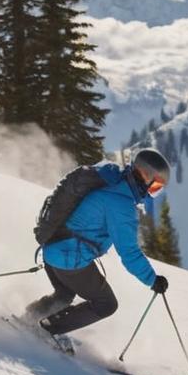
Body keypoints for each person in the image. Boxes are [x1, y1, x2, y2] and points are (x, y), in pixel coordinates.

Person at [25, 148, 172, 346]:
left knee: (64, 295)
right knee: (106, 304)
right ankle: (46, 330)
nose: (152, 193)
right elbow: (129, 253)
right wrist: (153, 280)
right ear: (145, 176)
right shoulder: (122, 204)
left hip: (54, 247)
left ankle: (28, 319)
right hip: (69, 257)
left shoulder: (112, 182)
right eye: (155, 187)